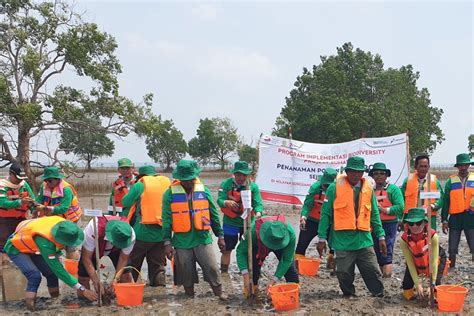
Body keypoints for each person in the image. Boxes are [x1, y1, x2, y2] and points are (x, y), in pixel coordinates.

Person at [317, 156, 386, 298]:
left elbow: (374, 214)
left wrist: (381, 236)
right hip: (342, 241)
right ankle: (349, 294)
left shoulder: (368, 188)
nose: (356, 175)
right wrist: (322, 238)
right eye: (353, 171)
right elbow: (325, 214)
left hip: (364, 239)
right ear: (347, 171)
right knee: (343, 273)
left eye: (359, 172)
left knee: (372, 270)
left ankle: (379, 294)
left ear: (363, 173)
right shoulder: (334, 187)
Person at [162, 160, 227, 299]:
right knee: (186, 271)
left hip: (202, 238)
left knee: (212, 268)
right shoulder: (169, 194)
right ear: (179, 179)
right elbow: (166, 220)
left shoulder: (203, 190)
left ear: (195, 176)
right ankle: (189, 298)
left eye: (190, 179)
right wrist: (167, 242)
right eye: (184, 180)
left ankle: (220, 295)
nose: (188, 182)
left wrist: (220, 235)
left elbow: (213, 214)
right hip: (181, 241)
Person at [4, 216, 97, 310]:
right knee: (34, 275)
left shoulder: (64, 225)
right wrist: (82, 289)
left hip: (33, 245)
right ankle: (30, 307)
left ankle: (55, 301)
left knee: (51, 274)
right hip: (16, 247)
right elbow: (58, 270)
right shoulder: (45, 242)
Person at [122, 165, 170, 286]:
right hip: (162, 233)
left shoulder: (140, 184)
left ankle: (130, 288)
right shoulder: (165, 184)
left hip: (142, 233)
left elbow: (125, 201)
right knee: (158, 265)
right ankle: (159, 287)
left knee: (133, 263)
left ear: (141, 176)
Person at [217, 161, 263, 273]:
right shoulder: (226, 184)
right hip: (230, 222)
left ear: (247, 175)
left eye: (244, 175)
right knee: (227, 249)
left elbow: (258, 204)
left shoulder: (253, 187)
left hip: (247, 223)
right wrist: (226, 202)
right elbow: (219, 200)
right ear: (234, 174)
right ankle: (224, 272)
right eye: (238, 175)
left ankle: (250, 270)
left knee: (249, 248)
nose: (241, 177)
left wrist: (258, 213)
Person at [237, 215, 298, 298]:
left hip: (281, 244)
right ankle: (252, 292)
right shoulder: (252, 231)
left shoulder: (290, 234)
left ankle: (292, 295)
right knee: (253, 269)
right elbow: (241, 251)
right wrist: (245, 275)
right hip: (260, 244)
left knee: (291, 273)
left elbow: (287, 259)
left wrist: (274, 280)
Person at [77, 215, 135, 298]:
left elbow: (123, 258)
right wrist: (96, 281)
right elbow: (86, 258)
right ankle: (84, 303)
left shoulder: (129, 235)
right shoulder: (94, 229)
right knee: (83, 278)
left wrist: (115, 280)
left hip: (116, 250)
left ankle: (126, 300)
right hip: (95, 246)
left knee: (126, 275)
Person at [34, 166, 83, 259]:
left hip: (71, 220)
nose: (47, 182)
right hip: (54, 219)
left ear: (57, 179)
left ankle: (73, 268)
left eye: (50, 180)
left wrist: (45, 208)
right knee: (54, 244)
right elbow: (39, 200)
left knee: (70, 247)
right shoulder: (44, 186)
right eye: (46, 180)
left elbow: (63, 208)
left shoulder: (66, 189)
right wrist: (34, 207)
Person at [296, 167, 337, 269]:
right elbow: (307, 205)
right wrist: (304, 217)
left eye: (329, 186)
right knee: (302, 243)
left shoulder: (338, 190)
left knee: (334, 245)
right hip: (312, 221)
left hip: (329, 222)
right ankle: (297, 265)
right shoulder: (315, 188)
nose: (327, 188)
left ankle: (331, 263)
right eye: (325, 185)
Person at [368, 162, 405, 277]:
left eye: (382, 173)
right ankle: (381, 274)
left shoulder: (393, 189)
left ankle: (387, 275)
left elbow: (400, 207)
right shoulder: (370, 190)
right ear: (372, 176)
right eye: (376, 173)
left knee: (387, 248)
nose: (379, 176)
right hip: (374, 224)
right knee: (375, 248)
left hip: (389, 224)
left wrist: (384, 210)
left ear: (386, 175)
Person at [400, 208, 442, 300]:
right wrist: (417, 283)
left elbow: (434, 261)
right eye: (411, 223)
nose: (414, 226)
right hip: (415, 260)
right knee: (407, 292)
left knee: (436, 292)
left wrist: (432, 282)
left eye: (418, 223)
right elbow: (410, 263)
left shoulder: (433, 236)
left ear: (424, 223)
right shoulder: (403, 240)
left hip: (435, 259)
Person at [441, 153, 474, 268]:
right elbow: (446, 202)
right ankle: (451, 268)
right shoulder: (451, 181)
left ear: (469, 165)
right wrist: (444, 220)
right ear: (458, 167)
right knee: (452, 247)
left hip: (471, 217)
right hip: (455, 218)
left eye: (465, 165)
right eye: (461, 165)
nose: (463, 168)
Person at [0, 163, 35, 265]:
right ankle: (4, 268)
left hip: (20, 220)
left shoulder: (24, 185)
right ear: (11, 174)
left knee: (19, 243)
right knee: (3, 246)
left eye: (21, 178)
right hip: (4, 221)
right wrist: (20, 202)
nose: (20, 180)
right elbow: (3, 202)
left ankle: (19, 266)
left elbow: (32, 198)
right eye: (18, 178)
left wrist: (34, 207)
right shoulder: (2, 186)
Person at [400, 154, 443, 230]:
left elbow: (441, 198)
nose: (423, 169)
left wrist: (433, 206)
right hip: (411, 218)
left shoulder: (435, 181)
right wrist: (399, 218)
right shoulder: (407, 181)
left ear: (429, 167)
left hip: (428, 217)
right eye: (421, 166)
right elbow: (401, 199)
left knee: (429, 239)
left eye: (425, 166)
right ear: (416, 167)